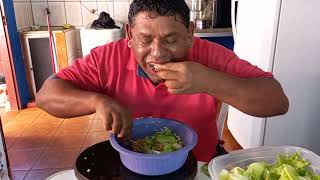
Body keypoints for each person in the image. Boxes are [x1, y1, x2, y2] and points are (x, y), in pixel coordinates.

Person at [36, 0, 289, 162]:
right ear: (130, 35)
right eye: (145, 40)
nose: (157, 53)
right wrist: (96, 101)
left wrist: (208, 80)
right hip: (131, 165)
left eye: (171, 40)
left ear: (190, 33)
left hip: (199, 164)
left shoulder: (210, 56)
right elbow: (46, 96)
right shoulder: (107, 58)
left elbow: (277, 101)